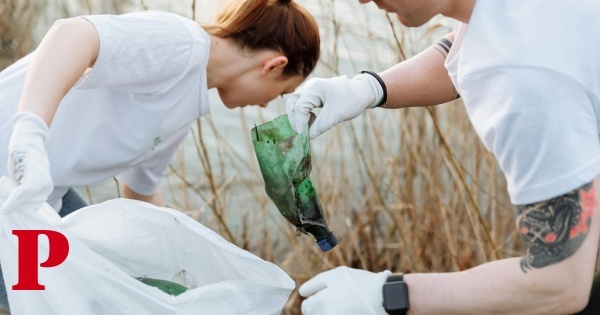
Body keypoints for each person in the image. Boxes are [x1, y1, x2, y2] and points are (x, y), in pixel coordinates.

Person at [0, 0, 319, 310]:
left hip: (34, 199)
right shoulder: (181, 44)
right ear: (274, 65)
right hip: (11, 179)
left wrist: (188, 257)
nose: (267, 104)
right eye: (282, 92)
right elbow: (72, 34)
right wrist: (29, 133)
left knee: (109, 288)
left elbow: (140, 190)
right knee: (83, 297)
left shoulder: (188, 100)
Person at [286, 0, 600, 314]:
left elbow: (560, 284)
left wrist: (386, 296)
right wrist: (370, 88)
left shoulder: (524, 80)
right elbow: (471, 41)